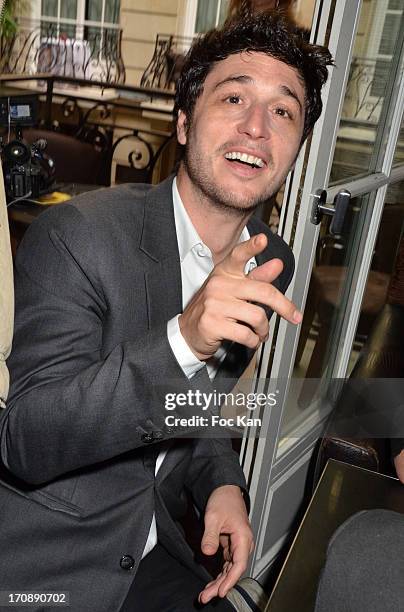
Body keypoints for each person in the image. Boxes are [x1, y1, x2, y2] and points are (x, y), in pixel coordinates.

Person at [0, 13, 332, 612]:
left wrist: (223, 482)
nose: (257, 126)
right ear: (183, 122)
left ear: (295, 150)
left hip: (154, 546)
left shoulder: (268, 259)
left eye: (283, 111)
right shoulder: (77, 235)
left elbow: (194, 409)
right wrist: (183, 340)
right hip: (43, 563)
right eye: (233, 96)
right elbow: (26, 440)